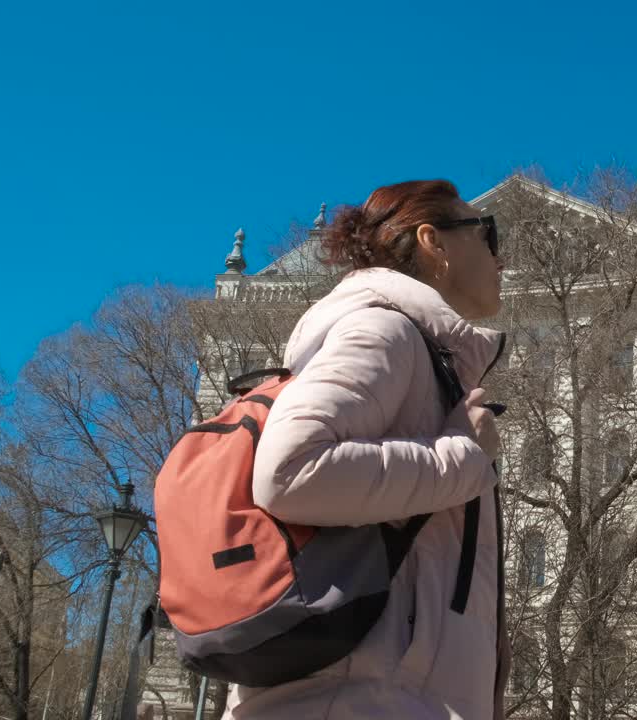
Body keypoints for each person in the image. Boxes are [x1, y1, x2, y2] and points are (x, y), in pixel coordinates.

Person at [223, 180, 510, 719]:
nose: (503, 256)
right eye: (488, 234)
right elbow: (289, 471)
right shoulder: (385, 331)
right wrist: (464, 458)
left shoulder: (425, 354)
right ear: (434, 242)